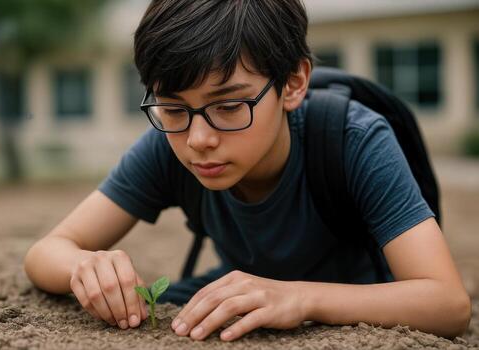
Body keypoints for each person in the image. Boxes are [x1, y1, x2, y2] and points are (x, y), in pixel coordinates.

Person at [24, 0, 471, 342]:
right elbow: (46, 252)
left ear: (293, 84)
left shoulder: (353, 138)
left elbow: (447, 303)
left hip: (366, 296)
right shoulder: (169, 143)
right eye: (173, 107)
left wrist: (300, 296)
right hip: (247, 294)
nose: (199, 139)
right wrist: (87, 265)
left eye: (230, 105)